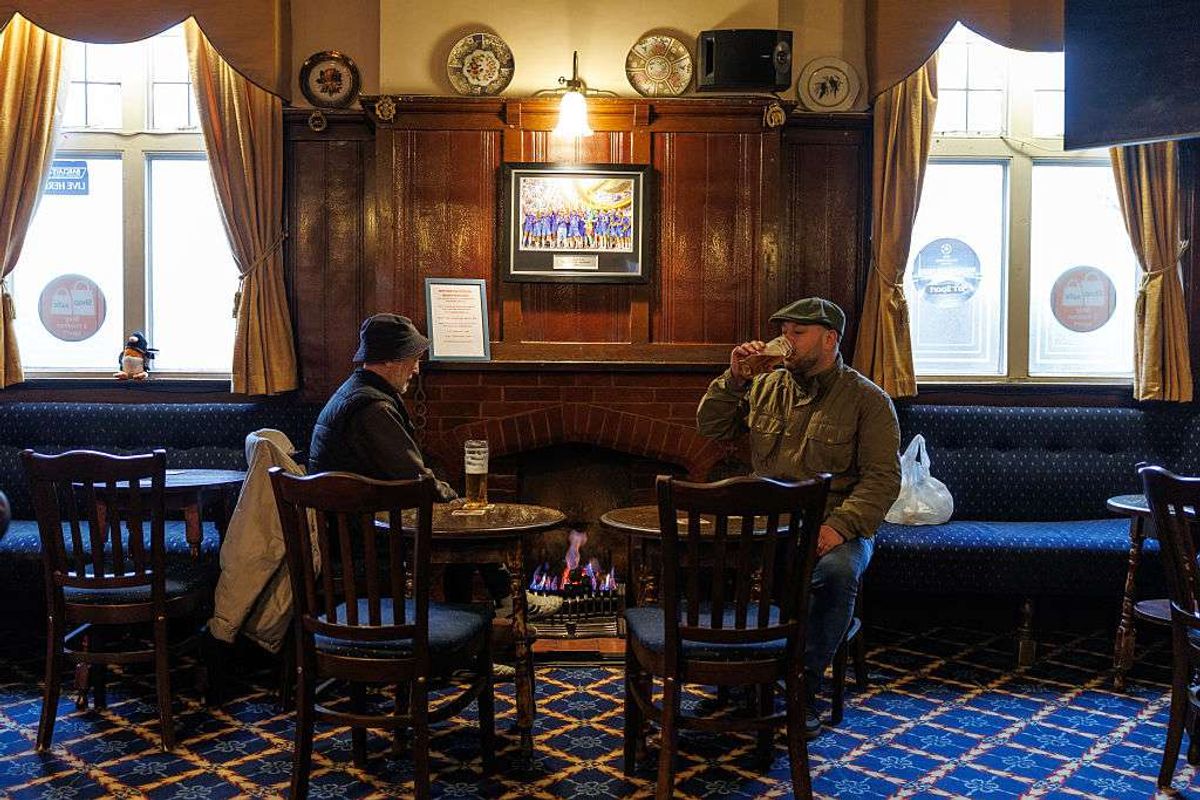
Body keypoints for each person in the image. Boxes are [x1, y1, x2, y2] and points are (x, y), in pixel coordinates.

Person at [696, 297, 901, 738]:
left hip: (833, 521)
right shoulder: (766, 385)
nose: (786, 340)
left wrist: (839, 527)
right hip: (766, 520)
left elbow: (883, 480)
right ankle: (737, 672)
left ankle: (802, 686)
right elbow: (712, 427)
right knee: (705, 556)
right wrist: (734, 378)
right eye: (784, 331)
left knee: (836, 573)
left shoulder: (868, 400)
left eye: (798, 333)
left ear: (829, 339)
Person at [309, 313, 559, 623]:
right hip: (363, 539)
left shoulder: (358, 393)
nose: (416, 369)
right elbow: (415, 477)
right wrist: (457, 502)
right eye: (412, 359)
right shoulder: (372, 409)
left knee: (462, 521)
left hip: (354, 526)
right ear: (389, 360)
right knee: (465, 524)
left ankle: (488, 609)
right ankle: (498, 606)